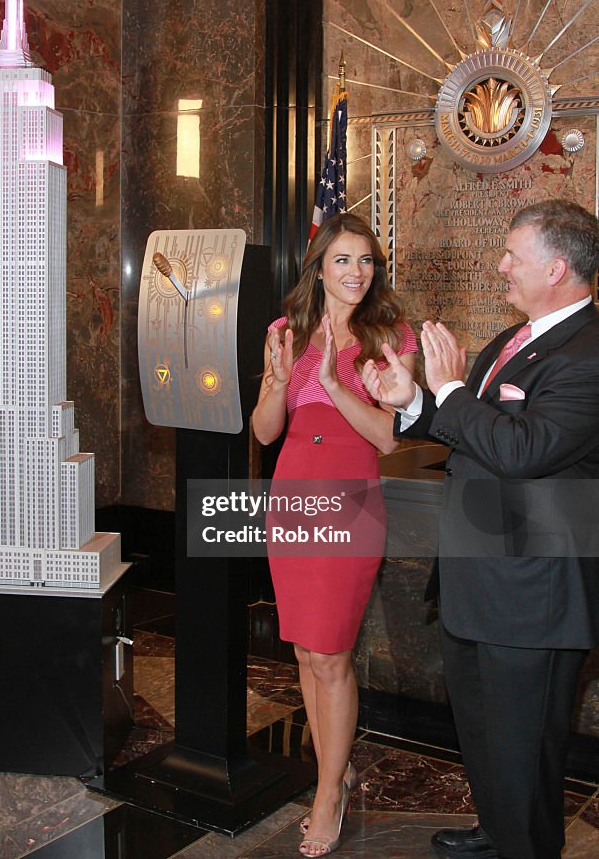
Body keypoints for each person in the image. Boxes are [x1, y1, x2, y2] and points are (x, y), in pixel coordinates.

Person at [362, 198, 599, 859]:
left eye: (511, 256)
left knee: (525, 752)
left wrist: (452, 391)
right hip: (477, 577)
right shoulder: (511, 339)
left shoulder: (588, 353)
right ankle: (496, 833)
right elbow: (471, 436)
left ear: (554, 268)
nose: (499, 266)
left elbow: (523, 451)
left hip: (533, 597)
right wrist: (410, 399)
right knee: (488, 736)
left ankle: (520, 843)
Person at [252, 213, 417, 857]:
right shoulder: (284, 331)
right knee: (302, 652)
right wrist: (275, 381)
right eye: (344, 260)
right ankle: (335, 768)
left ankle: (328, 795)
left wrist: (328, 383)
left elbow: (385, 436)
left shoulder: (390, 337)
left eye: (367, 260)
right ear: (318, 266)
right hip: (292, 500)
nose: (357, 272)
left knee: (330, 654)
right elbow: (266, 431)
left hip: (350, 504)